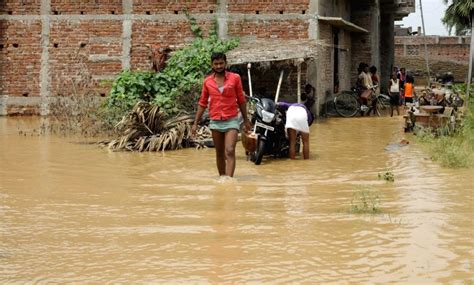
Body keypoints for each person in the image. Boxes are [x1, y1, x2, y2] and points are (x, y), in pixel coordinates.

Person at [191, 52, 251, 178]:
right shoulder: (207, 82)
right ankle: (222, 178)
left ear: (225, 63)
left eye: (221, 63)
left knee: (229, 150)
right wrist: (195, 123)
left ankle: (228, 181)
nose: (219, 66)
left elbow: (241, 100)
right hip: (215, 121)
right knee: (219, 153)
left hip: (231, 120)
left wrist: (246, 120)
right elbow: (202, 103)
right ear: (212, 65)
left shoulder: (235, 78)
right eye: (216, 64)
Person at [277, 86, 315, 160]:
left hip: (291, 113)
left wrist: (276, 103)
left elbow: (281, 104)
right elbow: (308, 123)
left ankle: (292, 161)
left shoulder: (291, 105)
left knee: (292, 142)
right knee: (306, 142)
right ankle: (306, 161)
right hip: (302, 114)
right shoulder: (309, 113)